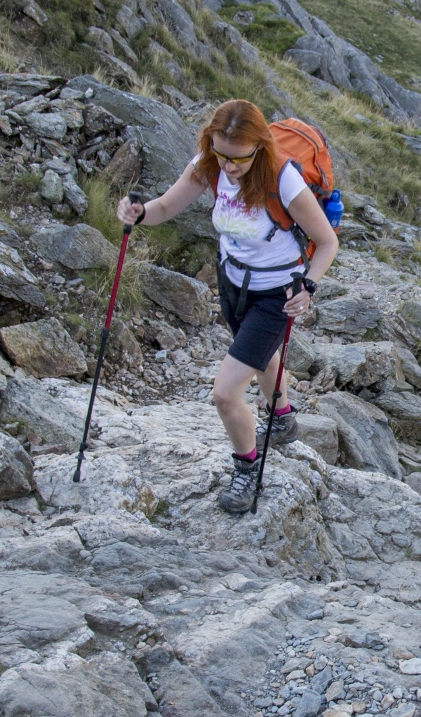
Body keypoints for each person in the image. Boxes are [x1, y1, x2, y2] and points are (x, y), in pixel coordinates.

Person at [116, 98, 338, 513]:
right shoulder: (210, 162)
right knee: (260, 355)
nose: (228, 167)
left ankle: (246, 469)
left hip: (277, 295)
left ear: (260, 148)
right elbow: (164, 207)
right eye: (220, 154)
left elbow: (327, 242)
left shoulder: (282, 180)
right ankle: (283, 415)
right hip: (232, 283)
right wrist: (138, 213)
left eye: (238, 159)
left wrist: (308, 286)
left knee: (225, 393)